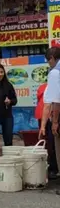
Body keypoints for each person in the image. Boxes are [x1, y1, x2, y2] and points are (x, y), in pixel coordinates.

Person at [40, 48, 60, 189]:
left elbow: (56, 101)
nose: (49, 64)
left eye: (48, 60)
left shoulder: (55, 73)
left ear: (52, 57)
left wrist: (54, 122)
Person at [36, 81, 59, 178]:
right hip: (48, 116)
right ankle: (53, 168)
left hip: (50, 117)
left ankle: (53, 168)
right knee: (52, 144)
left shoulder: (46, 87)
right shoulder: (46, 87)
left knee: (52, 144)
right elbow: (48, 105)